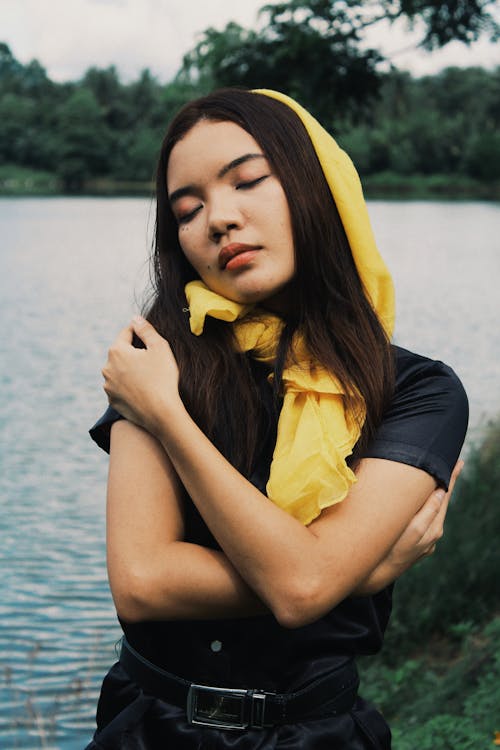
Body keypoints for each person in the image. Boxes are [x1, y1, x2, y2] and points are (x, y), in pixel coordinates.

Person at [86, 88, 468, 749]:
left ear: (313, 184)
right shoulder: (157, 363)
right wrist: (354, 575)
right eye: (188, 209)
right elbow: (144, 583)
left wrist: (322, 576)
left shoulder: (416, 391)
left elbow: (303, 585)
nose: (219, 219)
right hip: (151, 729)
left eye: (248, 180)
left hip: (316, 733)